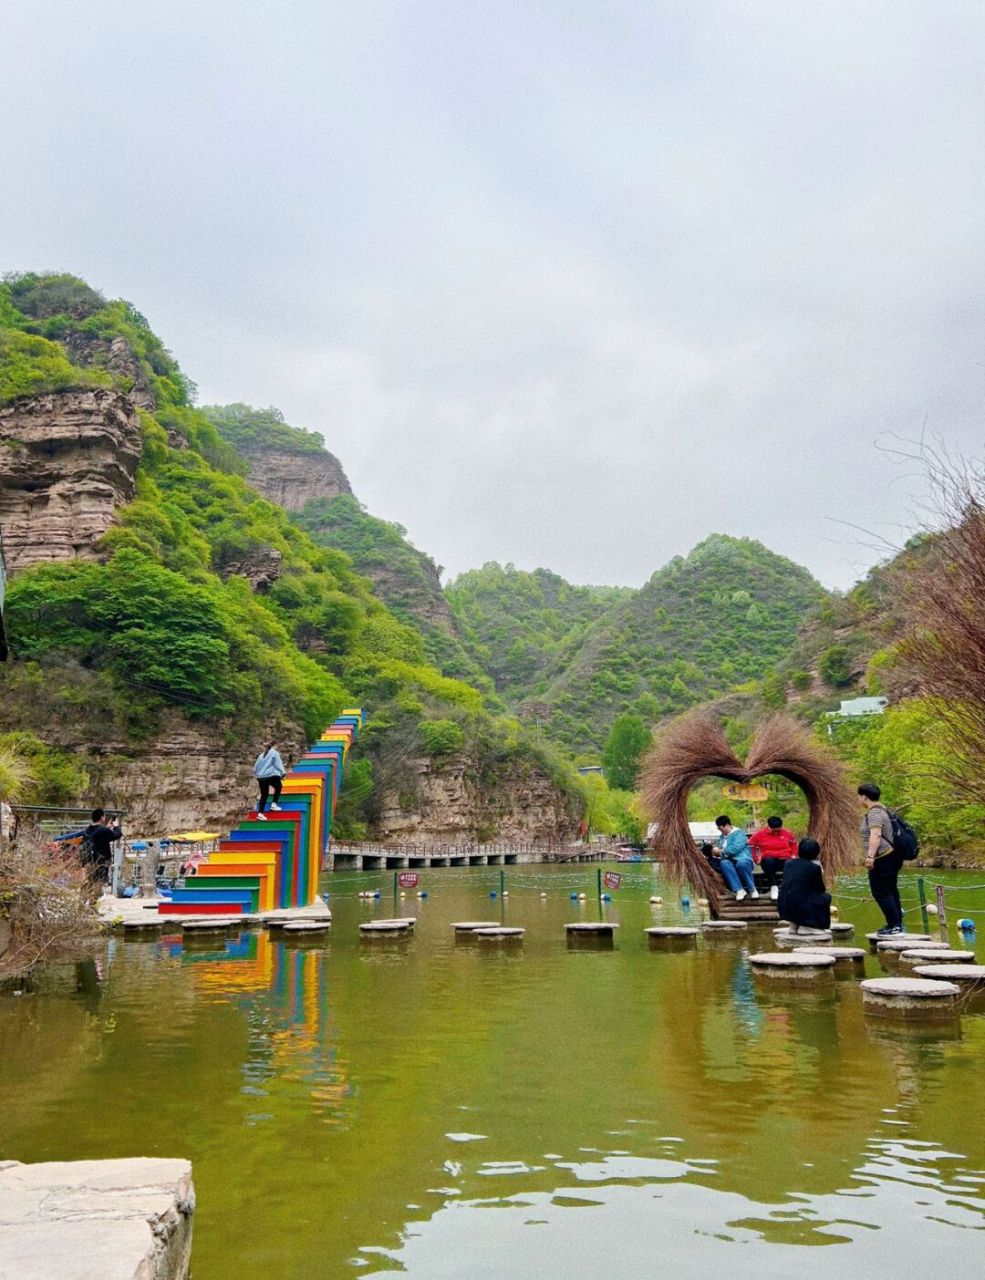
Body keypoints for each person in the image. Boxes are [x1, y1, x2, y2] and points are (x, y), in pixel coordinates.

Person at [858, 781, 903, 936]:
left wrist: (870, 857)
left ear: (864, 797)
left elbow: (876, 834)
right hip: (892, 856)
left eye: (860, 796)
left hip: (883, 856)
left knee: (880, 891)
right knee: (890, 890)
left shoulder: (875, 813)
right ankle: (896, 924)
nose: (859, 799)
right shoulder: (883, 809)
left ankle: (894, 925)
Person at [777, 838, 831, 934]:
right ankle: (808, 926)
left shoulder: (788, 863)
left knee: (798, 896)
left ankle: (794, 925)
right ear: (816, 853)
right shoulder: (814, 868)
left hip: (784, 903)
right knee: (824, 897)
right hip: (801, 904)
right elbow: (820, 889)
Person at [749, 815, 797, 900]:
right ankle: (773, 887)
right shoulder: (760, 834)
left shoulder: (786, 833)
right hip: (769, 860)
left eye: (778, 830)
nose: (776, 832)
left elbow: (793, 843)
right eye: (774, 830)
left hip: (785, 859)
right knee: (768, 861)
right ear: (769, 827)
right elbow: (751, 845)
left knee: (792, 864)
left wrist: (793, 854)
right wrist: (756, 858)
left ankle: (787, 888)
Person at [82, 808, 123, 901]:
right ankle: (92, 904)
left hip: (90, 861)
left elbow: (98, 836)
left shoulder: (88, 830)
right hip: (101, 861)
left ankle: (85, 901)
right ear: (102, 817)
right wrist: (116, 826)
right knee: (98, 883)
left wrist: (107, 828)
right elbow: (117, 835)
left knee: (91, 881)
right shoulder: (103, 830)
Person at [715, 815, 758, 900]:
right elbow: (720, 848)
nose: (719, 830)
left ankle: (752, 889)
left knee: (741, 864)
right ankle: (739, 889)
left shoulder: (740, 834)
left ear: (726, 825)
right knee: (724, 863)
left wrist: (720, 851)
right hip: (729, 860)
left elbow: (735, 849)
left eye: (720, 828)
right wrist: (716, 852)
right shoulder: (722, 837)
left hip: (743, 858)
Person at [254, 742, 286, 819]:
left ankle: (260, 814)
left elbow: (255, 767)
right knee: (279, 786)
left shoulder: (261, 755)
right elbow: (278, 764)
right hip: (270, 775)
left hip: (261, 777)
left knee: (264, 795)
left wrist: (258, 774)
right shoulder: (274, 753)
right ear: (274, 746)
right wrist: (283, 773)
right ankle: (274, 804)